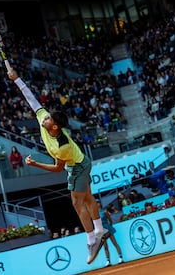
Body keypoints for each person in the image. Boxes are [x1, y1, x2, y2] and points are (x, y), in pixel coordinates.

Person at [8, 68, 109, 264]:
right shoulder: (45, 121)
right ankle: (99, 229)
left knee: (77, 203)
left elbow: (57, 169)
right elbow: (31, 99)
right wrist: (16, 79)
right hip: (80, 162)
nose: (43, 118)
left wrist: (35, 163)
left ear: (54, 126)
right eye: (45, 117)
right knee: (88, 199)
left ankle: (91, 241)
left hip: (78, 166)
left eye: (48, 119)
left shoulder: (62, 147)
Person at [97, 201, 123, 267]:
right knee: (105, 246)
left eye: (98, 202)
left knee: (114, 243)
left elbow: (110, 220)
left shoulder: (104, 211)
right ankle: (108, 261)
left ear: (100, 204)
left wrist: (109, 227)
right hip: (100, 231)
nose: (97, 204)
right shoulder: (94, 213)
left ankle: (120, 258)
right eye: (96, 203)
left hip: (107, 228)